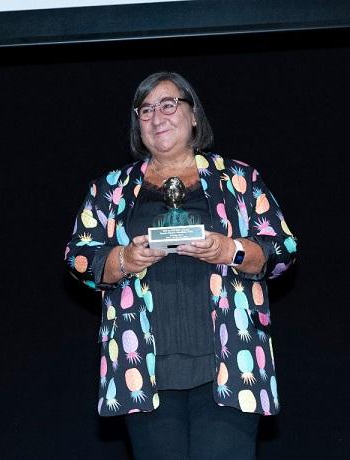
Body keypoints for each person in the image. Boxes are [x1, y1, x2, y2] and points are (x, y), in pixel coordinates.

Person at [64, 71, 297, 459]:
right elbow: (78, 258)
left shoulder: (238, 179)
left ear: (193, 116)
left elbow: (283, 249)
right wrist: (124, 259)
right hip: (144, 369)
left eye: (169, 104)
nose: (157, 117)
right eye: (146, 110)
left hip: (232, 363)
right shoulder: (110, 189)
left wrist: (230, 250)